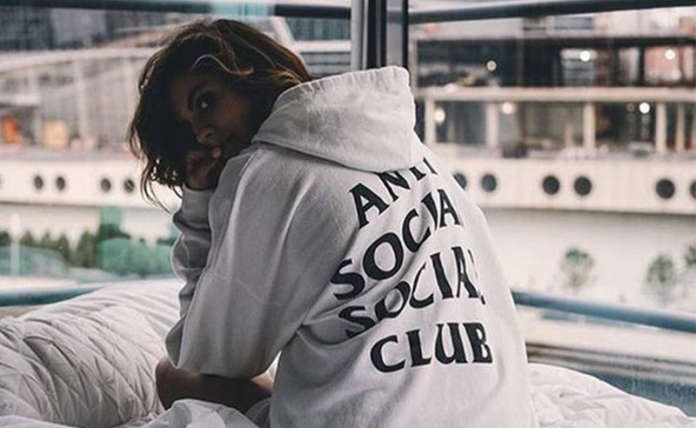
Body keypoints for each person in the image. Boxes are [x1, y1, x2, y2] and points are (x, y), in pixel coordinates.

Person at [128, 18, 538, 428]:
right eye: (187, 128)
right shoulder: (414, 150)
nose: (202, 133)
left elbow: (204, 354)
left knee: (172, 375)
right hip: (501, 417)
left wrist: (199, 205)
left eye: (205, 102)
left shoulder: (263, 171)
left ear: (247, 72)